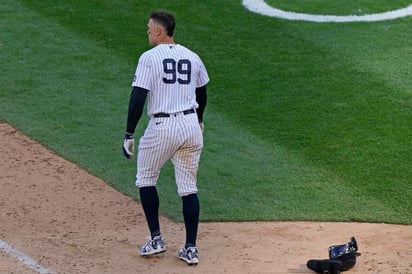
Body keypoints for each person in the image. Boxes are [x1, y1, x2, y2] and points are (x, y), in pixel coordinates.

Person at [122, 10, 209, 265]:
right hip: (190, 125)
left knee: (146, 178)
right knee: (188, 187)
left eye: (149, 29)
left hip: (162, 125)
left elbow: (138, 97)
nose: (147, 32)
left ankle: (156, 238)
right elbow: (202, 93)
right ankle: (190, 248)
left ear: (159, 32)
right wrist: (199, 119)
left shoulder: (149, 58)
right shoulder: (192, 57)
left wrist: (129, 133)